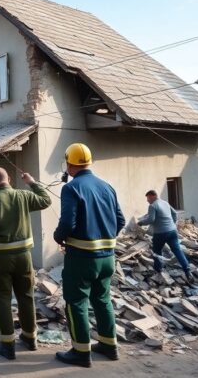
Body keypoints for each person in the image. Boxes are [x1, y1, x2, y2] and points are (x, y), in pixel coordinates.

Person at [53, 143, 125, 368]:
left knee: (76, 302)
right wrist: (106, 239)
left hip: (82, 258)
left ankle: (81, 352)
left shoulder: (71, 188)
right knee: (102, 300)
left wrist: (58, 237)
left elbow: (67, 223)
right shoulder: (107, 186)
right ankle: (108, 346)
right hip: (107, 258)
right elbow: (120, 220)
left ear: (70, 164)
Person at [0, 168, 52, 360]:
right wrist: (31, 182)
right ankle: (30, 339)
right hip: (24, 257)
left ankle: (8, 346)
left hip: (1, 258)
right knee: (26, 296)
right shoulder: (23, 196)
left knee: (2, 299)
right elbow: (46, 200)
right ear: (9, 180)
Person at [138, 190, 192, 281]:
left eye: (148, 198)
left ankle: (158, 270)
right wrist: (172, 224)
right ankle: (187, 270)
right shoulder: (165, 203)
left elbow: (151, 219)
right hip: (172, 231)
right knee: (177, 250)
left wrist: (141, 222)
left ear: (152, 196)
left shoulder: (153, 206)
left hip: (160, 233)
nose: (147, 200)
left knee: (157, 251)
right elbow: (174, 213)